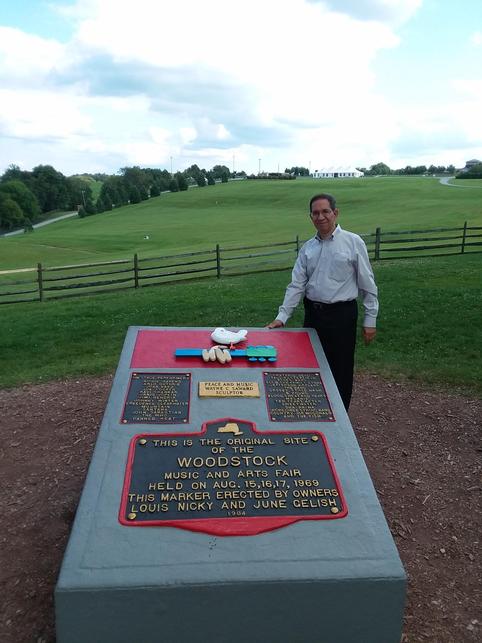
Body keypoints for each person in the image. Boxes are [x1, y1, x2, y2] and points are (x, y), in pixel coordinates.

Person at [267, 193, 378, 410]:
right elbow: (296, 285)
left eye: (325, 211)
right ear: (311, 217)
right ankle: (316, 413)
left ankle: (340, 418)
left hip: (342, 315)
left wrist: (370, 319)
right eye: (316, 213)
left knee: (341, 369)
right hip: (314, 316)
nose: (321, 217)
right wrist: (282, 317)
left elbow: (367, 283)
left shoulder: (353, 242)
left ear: (335, 213)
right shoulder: (308, 248)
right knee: (311, 365)